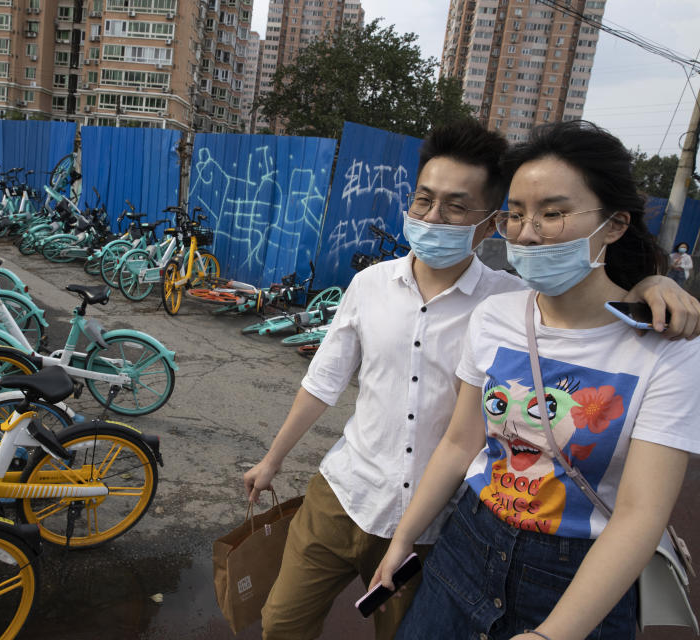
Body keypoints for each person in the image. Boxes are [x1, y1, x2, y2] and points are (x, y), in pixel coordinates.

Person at [242, 119, 700, 640]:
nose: (528, 232)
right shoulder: (399, 292)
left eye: (456, 207)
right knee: (281, 622)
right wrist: (273, 459)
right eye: (423, 201)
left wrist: (654, 282)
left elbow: (640, 512)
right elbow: (328, 382)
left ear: (485, 225)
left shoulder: (510, 302)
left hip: (463, 533)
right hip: (362, 497)